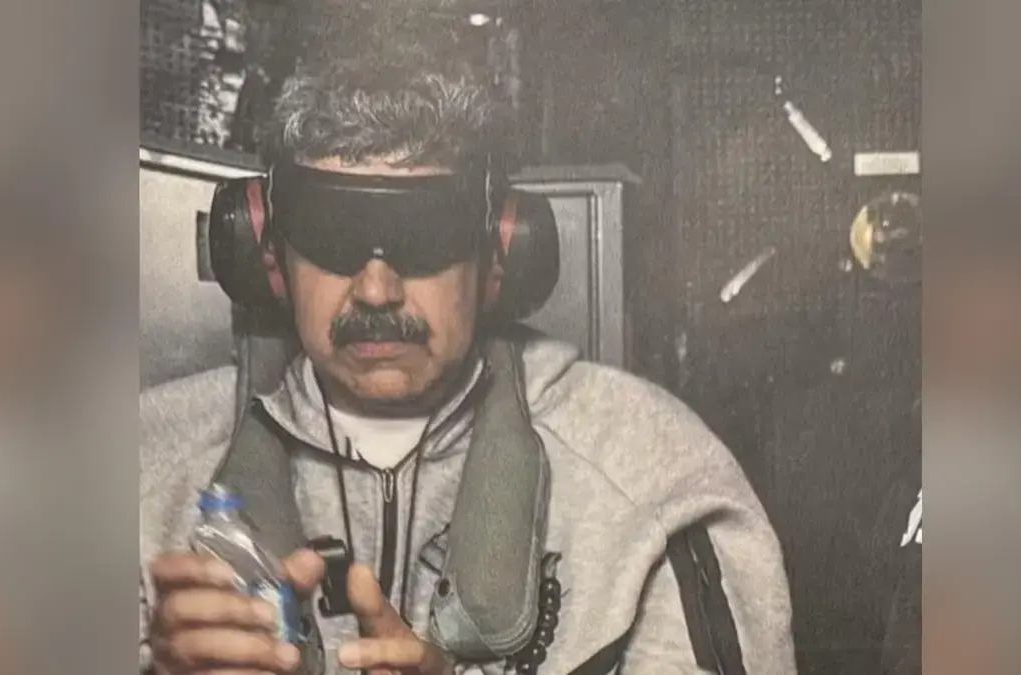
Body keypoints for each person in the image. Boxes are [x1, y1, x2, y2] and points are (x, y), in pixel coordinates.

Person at [139, 42, 796, 675]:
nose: (376, 291)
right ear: (266, 252)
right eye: (332, 235)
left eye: (423, 237)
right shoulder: (135, 468)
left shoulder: (653, 472)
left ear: (501, 254)